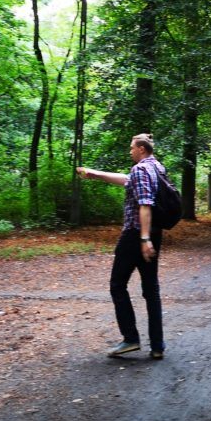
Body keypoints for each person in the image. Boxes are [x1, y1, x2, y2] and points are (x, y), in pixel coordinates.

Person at [76, 133, 166, 359]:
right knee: (151, 291)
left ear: (142, 149)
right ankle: (157, 346)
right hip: (154, 234)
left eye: (132, 148)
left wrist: (144, 239)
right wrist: (96, 174)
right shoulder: (157, 168)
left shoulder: (141, 170)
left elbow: (145, 204)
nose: (130, 151)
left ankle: (130, 339)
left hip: (136, 236)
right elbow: (127, 180)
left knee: (117, 285)